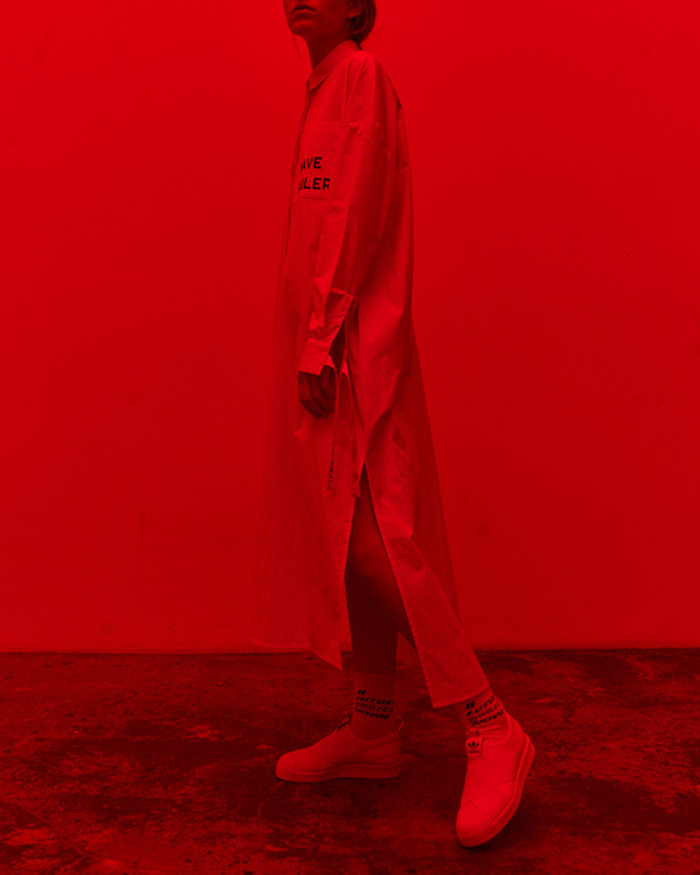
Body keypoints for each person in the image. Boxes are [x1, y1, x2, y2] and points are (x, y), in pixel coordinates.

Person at [252, 0, 536, 848]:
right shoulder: (322, 87)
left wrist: (321, 334)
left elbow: (354, 211)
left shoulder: (362, 77)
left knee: (376, 541)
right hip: (327, 345)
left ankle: (490, 721)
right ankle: (375, 723)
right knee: (342, 536)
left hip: (349, 348)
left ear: (358, 7)